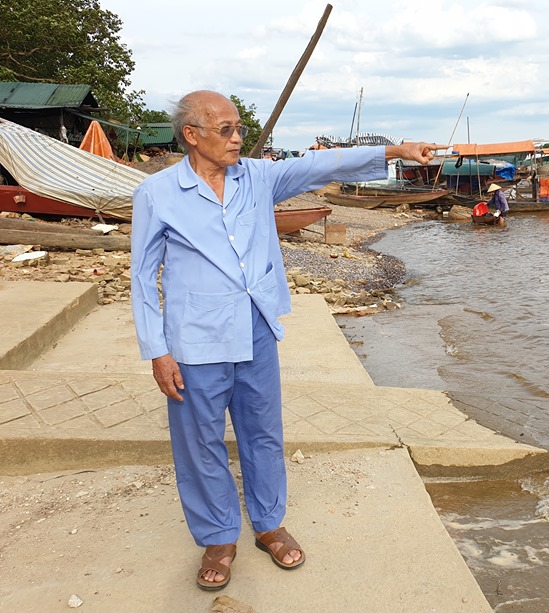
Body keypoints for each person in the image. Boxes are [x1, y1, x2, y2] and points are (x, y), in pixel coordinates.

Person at [130, 90, 441, 591]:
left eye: (239, 129)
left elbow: (322, 164)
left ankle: (268, 524)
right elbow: (143, 278)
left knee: (263, 432)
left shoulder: (259, 177)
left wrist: (395, 151)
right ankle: (217, 537)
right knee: (199, 441)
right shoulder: (158, 193)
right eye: (225, 129)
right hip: (193, 340)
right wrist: (156, 350)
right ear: (192, 134)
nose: (237, 138)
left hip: (256, 328)